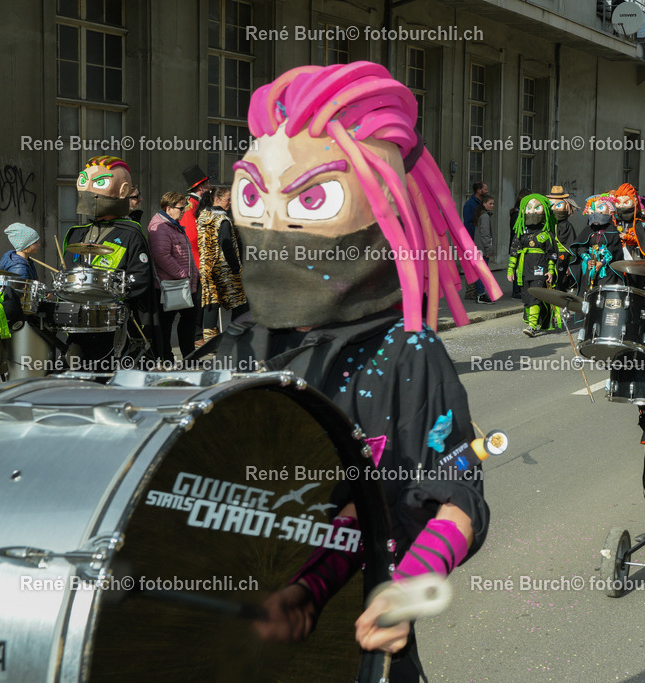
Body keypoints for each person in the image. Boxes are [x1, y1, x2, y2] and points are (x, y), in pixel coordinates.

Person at [210, 61, 497, 680]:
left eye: (312, 198)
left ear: (386, 208)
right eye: (255, 195)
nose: (276, 220)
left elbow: (456, 501)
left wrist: (406, 591)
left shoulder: (407, 355)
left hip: (347, 650)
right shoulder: (232, 345)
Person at [63, 155, 152, 364]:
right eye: (83, 181)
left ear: (122, 191)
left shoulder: (131, 234)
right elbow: (66, 271)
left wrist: (115, 293)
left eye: (99, 183)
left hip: (112, 319)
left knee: (105, 366)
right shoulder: (78, 233)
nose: (88, 190)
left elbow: (141, 278)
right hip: (77, 316)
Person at [147, 192, 198, 362]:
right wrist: (183, 274)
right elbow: (161, 256)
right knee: (166, 324)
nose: (184, 211)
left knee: (188, 321)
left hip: (182, 284)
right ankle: (166, 358)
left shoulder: (172, 224)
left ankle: (189, 357)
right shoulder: (160, 226)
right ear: (169, 208)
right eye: (181, 208)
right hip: (171, 285)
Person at [196, 186, 248, 341]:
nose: (230, 202)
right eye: (228, 199)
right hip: (223, 268)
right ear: (217, 199)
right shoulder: (222, 220)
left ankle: (210, 340)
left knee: (211, 303)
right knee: (240, 303)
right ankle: (235, 336)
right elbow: (227, 247)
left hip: (207, 266)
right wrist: (236, 268)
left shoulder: (203, 216)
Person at [508, 193, 559, 337]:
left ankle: (532, 326)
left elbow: (552, 253)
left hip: (540, 268)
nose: (532, 211)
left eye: (537, 208)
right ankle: (533, 321)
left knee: (535, 295)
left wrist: (551, 270)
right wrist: (511, 269)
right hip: (524, 268)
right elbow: (514, 251)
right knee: (526, 297)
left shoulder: (546, 232)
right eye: (529, 208)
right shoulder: (521, 231)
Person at [545, 185, 578, 293]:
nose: (555, 208)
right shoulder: (546, 224)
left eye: (558, 205)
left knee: (561, 285)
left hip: (562, 260)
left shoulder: (568, 227)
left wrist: (571, 265)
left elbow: (573, 247)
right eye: (552, 204)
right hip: (548, 259)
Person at [180, 165, 211, 272]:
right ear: (201, 188)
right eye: (208, 184)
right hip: (196, 259)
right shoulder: (191, 205)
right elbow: (192, 237)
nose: (210, 187)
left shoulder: (196, 202)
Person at [463, 181, 489, 300]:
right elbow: (469, 224)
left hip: (477, 239)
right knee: (472, 265)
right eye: (485, 189)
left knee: (476, 265)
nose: (487, 191)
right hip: (472, 239)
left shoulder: (480, 203)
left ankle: (475, 291)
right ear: (479, 190)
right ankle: (470, 292)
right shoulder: (470, 204)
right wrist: (475, 238)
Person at [508, 188, 532, 299]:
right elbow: (516, 232)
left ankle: (519, 289)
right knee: (517, 267)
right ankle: (516, 291)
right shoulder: (517, 214)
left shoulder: (517, 213)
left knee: (520, 266)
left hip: (519, 244)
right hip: (518, 244)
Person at [473, 194, 495, 305]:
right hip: (482, 249)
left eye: (493, 204)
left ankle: (481, 294)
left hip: (479, 248)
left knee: (480, 273)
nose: (492, 205)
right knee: (482, 273)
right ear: (484, 204)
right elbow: (485, 235)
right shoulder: (485, 216)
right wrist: (488, 250)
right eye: (490, 203)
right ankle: (481, 294)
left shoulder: (481, 215)